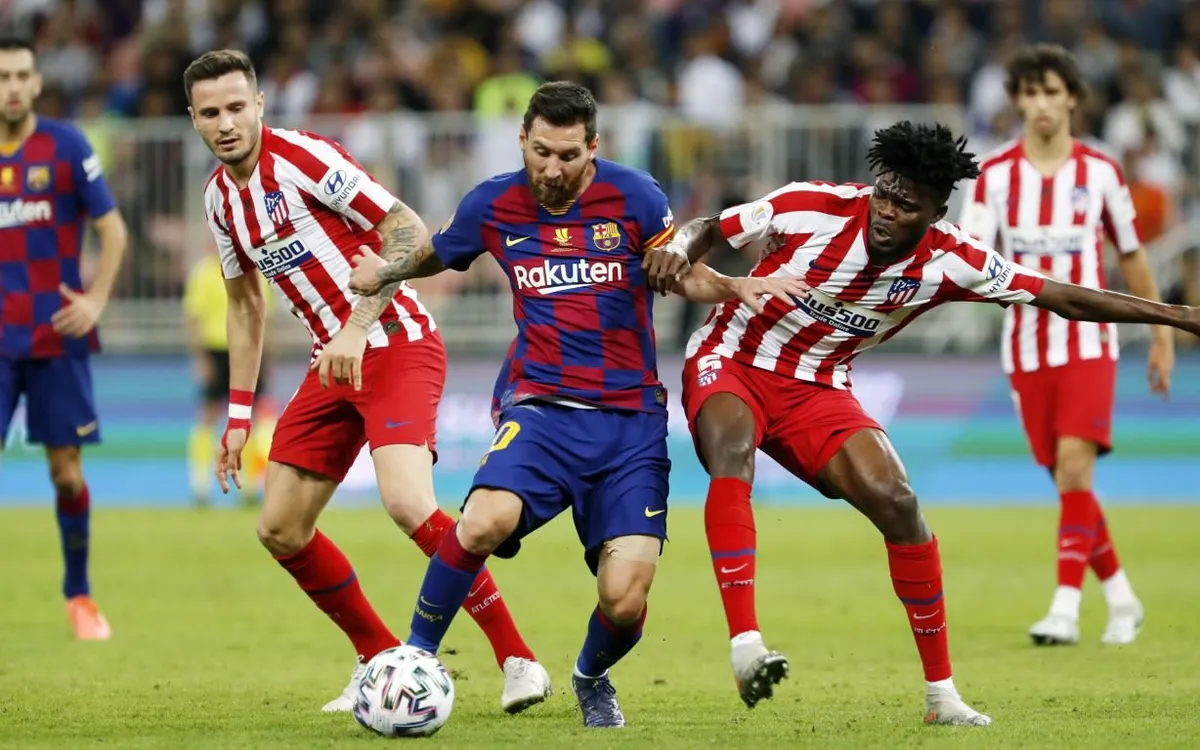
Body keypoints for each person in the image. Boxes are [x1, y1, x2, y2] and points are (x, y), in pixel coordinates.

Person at [642, 121, 1200, 725]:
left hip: (819, 386)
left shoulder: (954, 260)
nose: (886, 211)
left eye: (906, 206)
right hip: (733, 357)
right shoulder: (812, 206)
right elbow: (710, 227)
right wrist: (678, 247)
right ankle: (746, 644)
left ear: (935, 213)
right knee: (733, 451)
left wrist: (1176, 316)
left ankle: (942, 695)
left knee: (899, 503)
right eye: (884, 194)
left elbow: (1060, 296)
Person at [348, 80, 806, 728]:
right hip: (541, 409)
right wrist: (387, 270)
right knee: (481, 521)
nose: (552, 169)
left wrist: (735, 285)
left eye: (568, 156)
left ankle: (590, 675)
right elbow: (438, 252)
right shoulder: (493, 203)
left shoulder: (635, 196)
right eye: (541, 153)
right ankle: (413, 656)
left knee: (625, 599)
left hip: (629, 423)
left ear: (593, 147)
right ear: (523, 141)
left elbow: (674, 271)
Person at [183, 49, 550, 714]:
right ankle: (379, 659)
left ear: (259, 105)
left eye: (237, 107)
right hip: (332, 361)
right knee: (280, 527)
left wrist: (355, 325)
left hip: (395, 341)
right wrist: (238, 416)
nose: (226, 123)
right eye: (211, 113)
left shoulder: (304, 158)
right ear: (194, 119)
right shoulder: (219, 199)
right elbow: (244, 305)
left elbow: (406, 229)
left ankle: (518, 659)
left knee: (407, 503)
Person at [958, 44, 1169, 647]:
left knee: (1076, 467)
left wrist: (1162, 332)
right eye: (1030, 93)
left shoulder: (1100, 171)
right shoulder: (995, 175)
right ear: (1017, 102)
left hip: (1088, 342)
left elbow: (1132, 256)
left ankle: (1065, 610)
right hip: (1025, 347)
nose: (1041, 104)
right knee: (1069, 482)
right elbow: (971, 257)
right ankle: (1123, 598)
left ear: (1073, 98)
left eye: (1051, 91)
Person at [0, 37, 128, 641]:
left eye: (21, 75)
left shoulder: (66, 146)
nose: (13, 87)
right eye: (3, 77)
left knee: (66, 475)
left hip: (56, 333)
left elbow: (114, 231)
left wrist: (96, 300)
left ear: (37, 82)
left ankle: (79, 595)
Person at [182, 252, 275, 506]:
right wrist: (201, 358)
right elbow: (193, 317)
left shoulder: (255, 271)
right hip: (216, 350)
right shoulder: (203, 272)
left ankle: (249, 487)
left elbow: (265, 317)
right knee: (208, 415)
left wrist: (266, 356)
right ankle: (200, 486)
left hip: (248, 350)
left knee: (252, 418)